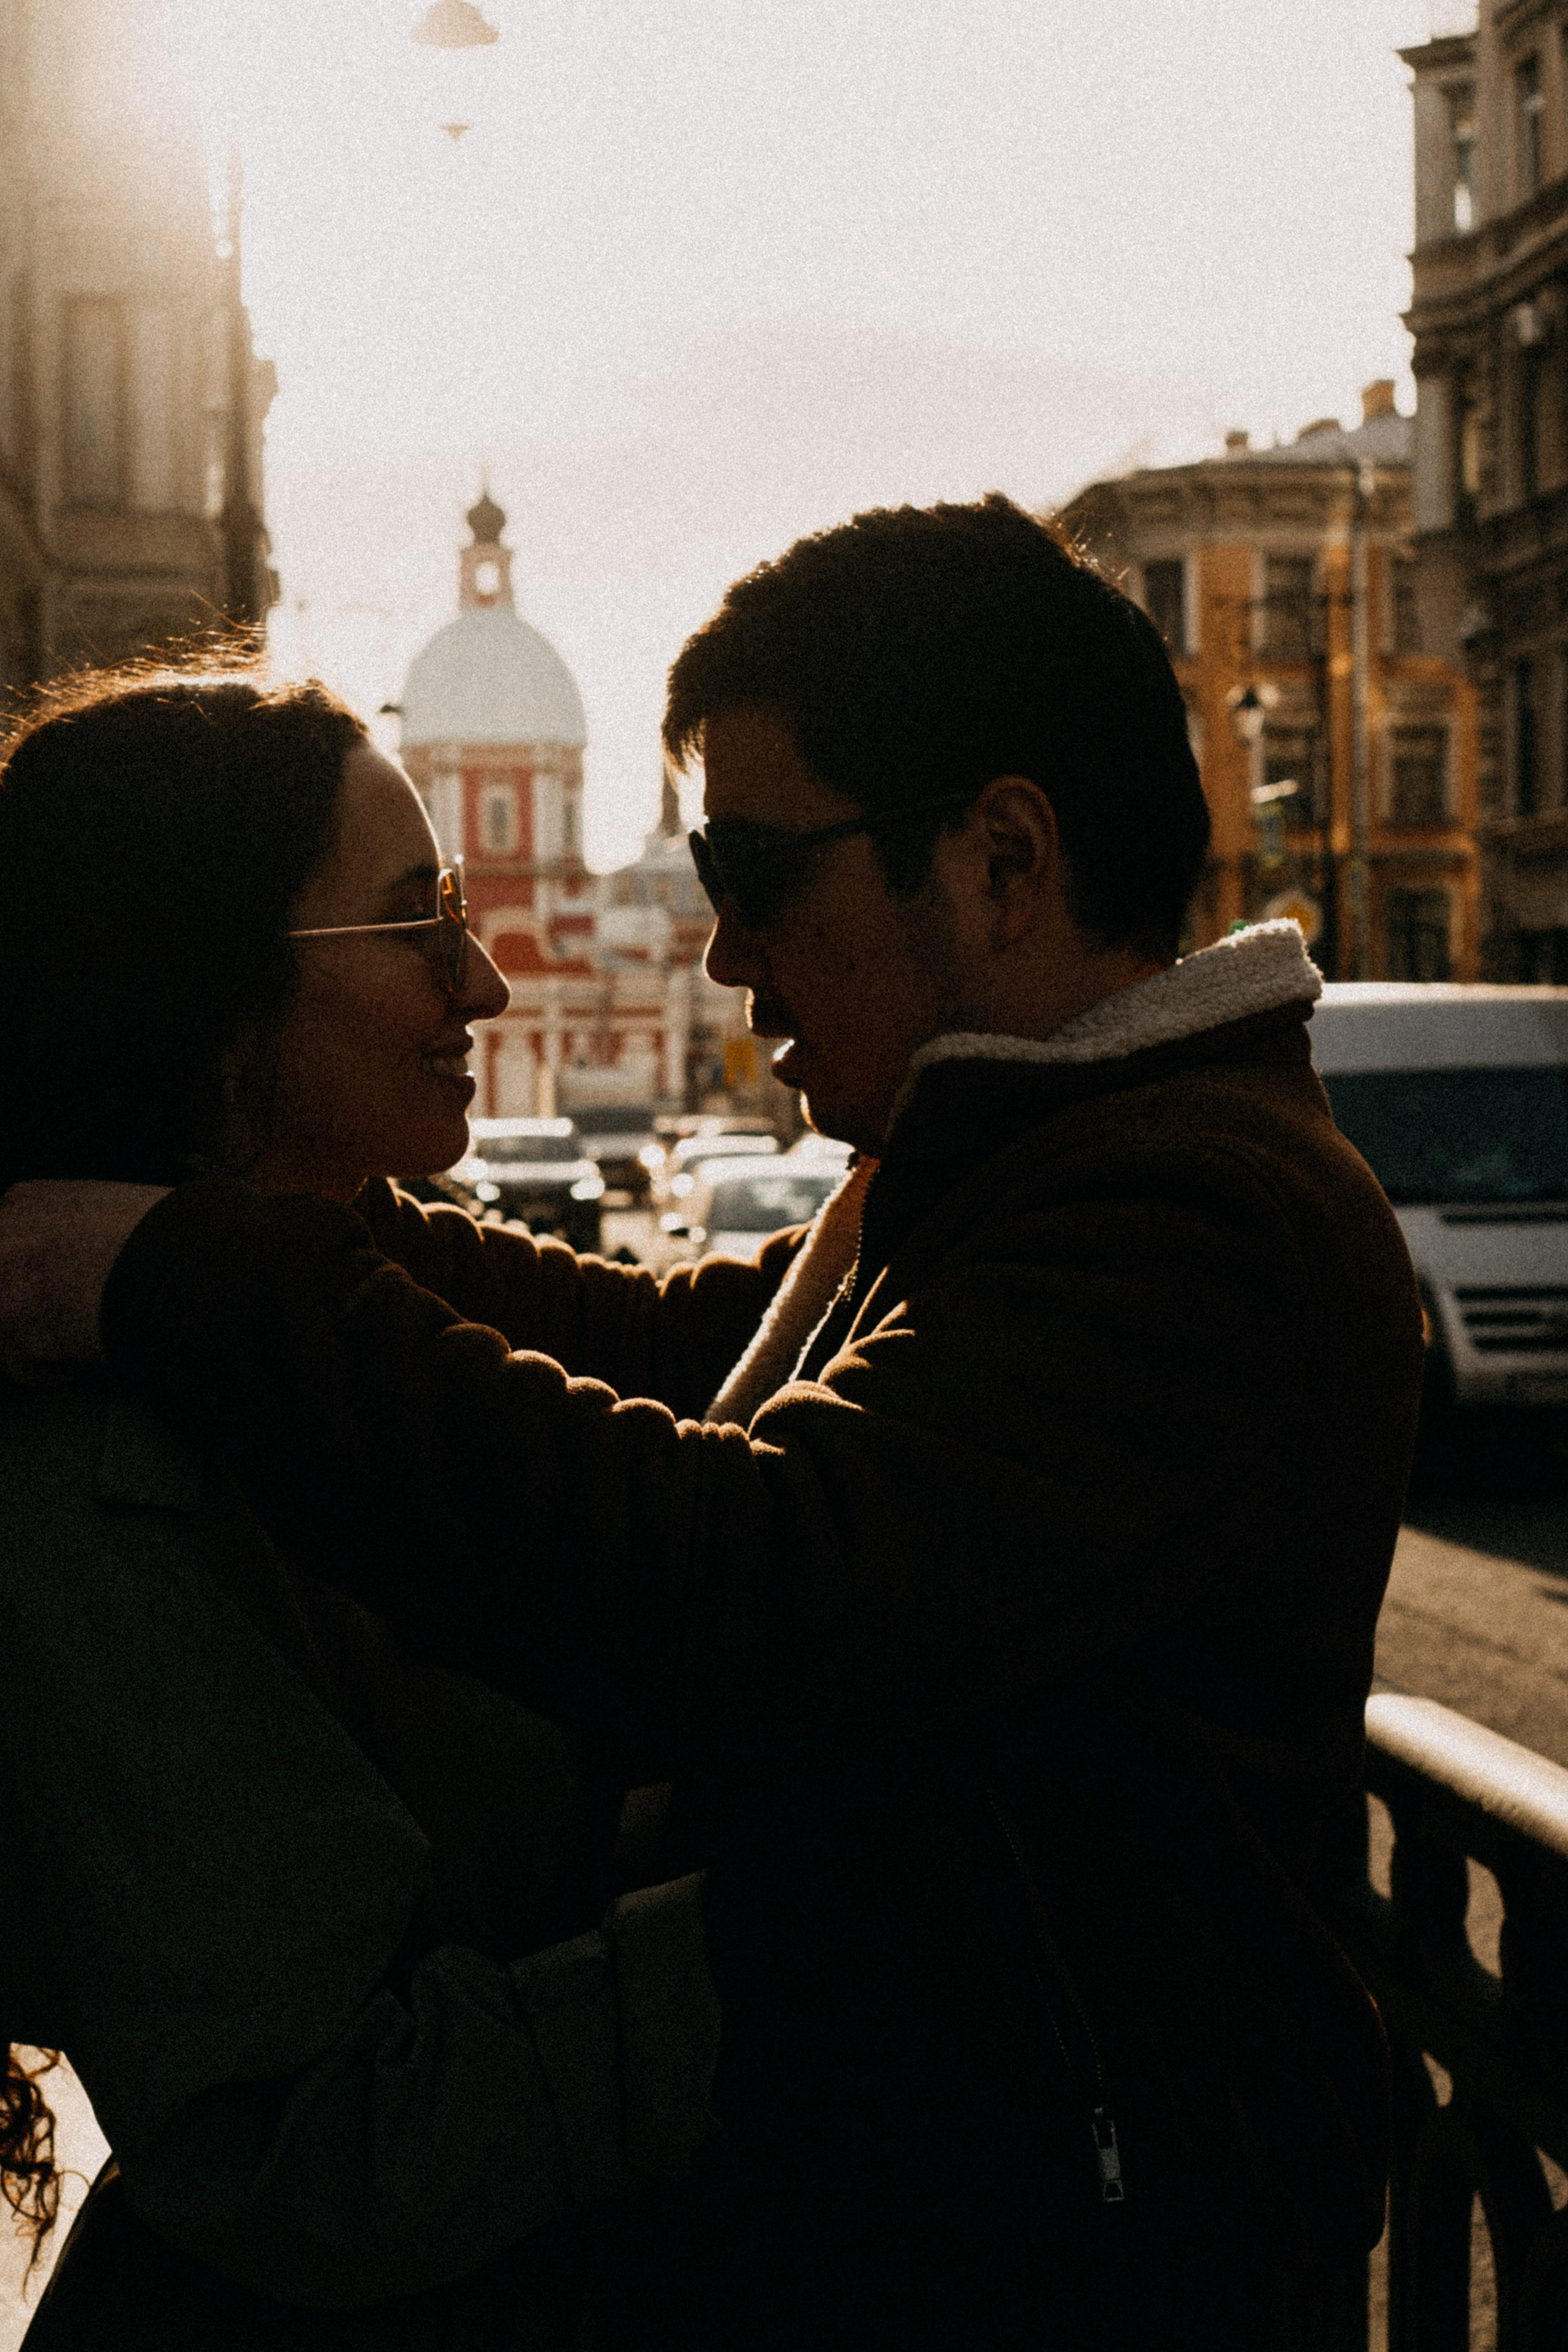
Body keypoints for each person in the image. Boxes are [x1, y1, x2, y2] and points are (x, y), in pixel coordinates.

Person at [1, 497, 1427, 2348]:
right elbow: (682, 1348)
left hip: (1096, 2251)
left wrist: (199, 1270)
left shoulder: (1193, 1214)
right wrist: (270, 1219)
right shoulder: (1019, 1152)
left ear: (1003, 860)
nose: (721, 956)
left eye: (754, 873)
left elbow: (761, 1574)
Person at [0, 666, 723, 2351]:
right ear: (212, 999)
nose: (484, 977)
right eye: (416, 922)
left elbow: (681, 1349)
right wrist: (819, 1940)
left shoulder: (307, 1299)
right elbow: (318, 2148)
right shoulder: (103, 1467)